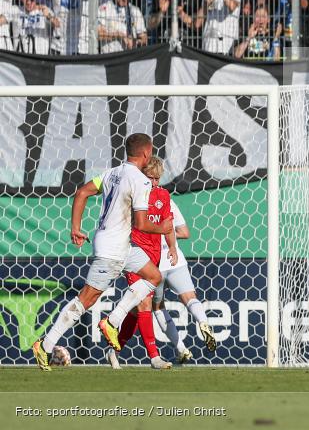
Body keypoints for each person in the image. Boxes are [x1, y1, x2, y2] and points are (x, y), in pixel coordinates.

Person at [33, 134, 175, 371]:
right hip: (112, 249)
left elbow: (81, 193)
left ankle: (113, 320)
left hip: (122, 245)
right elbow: (141, 223)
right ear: (146, 153)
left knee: (153, 276)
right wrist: (162, 227)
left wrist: (75, 228)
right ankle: (45, 346)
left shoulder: (112, 173)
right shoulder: (139, 181)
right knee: (85, 301)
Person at [106, 157, 177, 370]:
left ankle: (114, 350)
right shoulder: (133, 193)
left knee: (138, 311)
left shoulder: (163, 195)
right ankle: (154, 357)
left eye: (157, 179)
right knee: (145, 303)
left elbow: (167, 225)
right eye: (150, 178)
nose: (154, 183)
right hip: (134, 253)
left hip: (154, 256)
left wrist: (172, 247)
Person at [152, 197, 218, 362]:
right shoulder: (167, 200)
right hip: (176, 259)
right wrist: (169, 236)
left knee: (158, 307)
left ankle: (181, 349)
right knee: (190, 298)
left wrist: (156, 236)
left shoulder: (139, 199)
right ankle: (203, 322)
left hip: (154, 262)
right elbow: (185, 232)